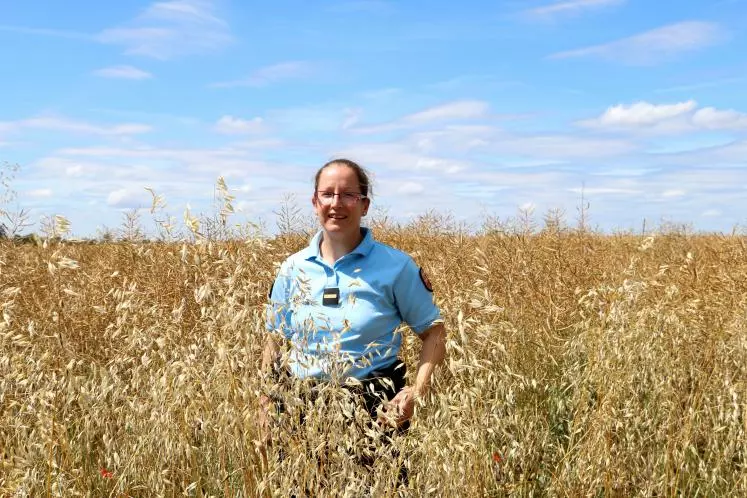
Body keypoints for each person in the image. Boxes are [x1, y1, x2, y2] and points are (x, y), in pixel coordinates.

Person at [259, 158, 446, 482]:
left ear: (365, 205)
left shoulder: (396, 267)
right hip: (301, 407)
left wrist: (417, 391)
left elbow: (434, 332)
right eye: (327, 194)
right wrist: (265, 405)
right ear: (315, 202)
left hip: (375, 410)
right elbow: (274, 339)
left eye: (348, 194)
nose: (336, 203)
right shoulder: (293, 268)